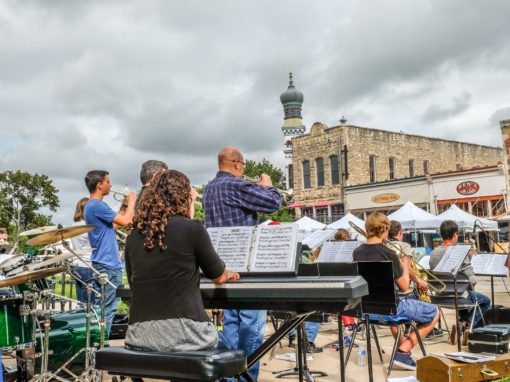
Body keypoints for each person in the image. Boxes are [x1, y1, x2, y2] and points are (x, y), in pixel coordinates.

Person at [124, 169, 239, 352]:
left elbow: (133, 283)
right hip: (185, 333)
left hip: (140, 335)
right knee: (233, 350)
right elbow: (218, 278)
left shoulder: (133, 236)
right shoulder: (192, 229)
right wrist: (229, 273)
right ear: (184, 197)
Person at [202, 146, 281, 381]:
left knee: (232, 324)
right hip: (245, 266)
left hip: (221, 266)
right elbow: (273, 203)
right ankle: (247, 377)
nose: (244, 169)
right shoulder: (236, 185)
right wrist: (268, 185)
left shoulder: (209, 189)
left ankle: (229, 376)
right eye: (243, 165)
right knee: (252, 325)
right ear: (236, 164)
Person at [353, 212, 439, 371]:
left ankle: (402, 350)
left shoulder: (357, 252)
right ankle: (403, 351)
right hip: (389, 309)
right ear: (385, 228)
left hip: (366, 311)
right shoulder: (388, 253)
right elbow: (404, 287)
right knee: (434, 312)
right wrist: (404, 265)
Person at [84, 170, 136, 335]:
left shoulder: (92, 206)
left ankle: (100, 345)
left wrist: (122, 209)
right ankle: (102, 346)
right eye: (108, 181)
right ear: (100, 185)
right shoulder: (97, 204)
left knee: (105, 306)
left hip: (103, 263)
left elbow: (113, 227)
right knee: (109, 308)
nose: (111, 185)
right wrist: (133, 201)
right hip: (107, 264)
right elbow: (128, 221)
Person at [429, 220, 491, 346]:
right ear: (455, 235)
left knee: (464, 296)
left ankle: (461, 324)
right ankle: (466, 326)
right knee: (485, 301)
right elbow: (473, 282)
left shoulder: (433, 253)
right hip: (458, 298)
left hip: (439, 297)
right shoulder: (460, 253)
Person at [388, 220, 428, 300]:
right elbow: (407, 269)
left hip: (391, 291)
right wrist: (418, 282)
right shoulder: (405, 246)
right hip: (405, 292)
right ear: (400, 232)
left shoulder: (384, 246)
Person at [70, 197, 94, 304]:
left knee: (81, 302)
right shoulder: (87, 226)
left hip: (76, 265)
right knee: (90, 303)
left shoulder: (73, 225)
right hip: (87, 264)